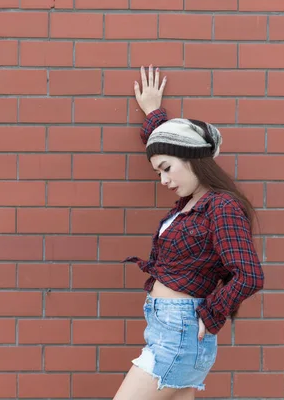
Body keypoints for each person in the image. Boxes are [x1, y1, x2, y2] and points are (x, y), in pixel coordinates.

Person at [114, 65, 265, 400]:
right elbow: (165, 146)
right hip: (167, 331)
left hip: (179, 335)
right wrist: (153, 114)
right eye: (158, 174)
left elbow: (250, 275)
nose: (164, 180)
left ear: (194, 158)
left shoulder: (220, 206)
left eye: (167, 169)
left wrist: (210, 316)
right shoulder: (189, 203)